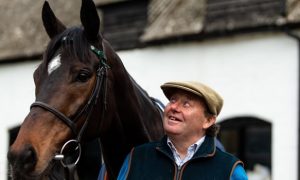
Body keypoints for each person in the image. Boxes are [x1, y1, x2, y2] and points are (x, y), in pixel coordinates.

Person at [117, 81, 248, 180]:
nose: (174, 107)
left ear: (208, 121)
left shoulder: (229, 169)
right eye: (172, 100)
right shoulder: (136, 157)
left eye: (186, 104)